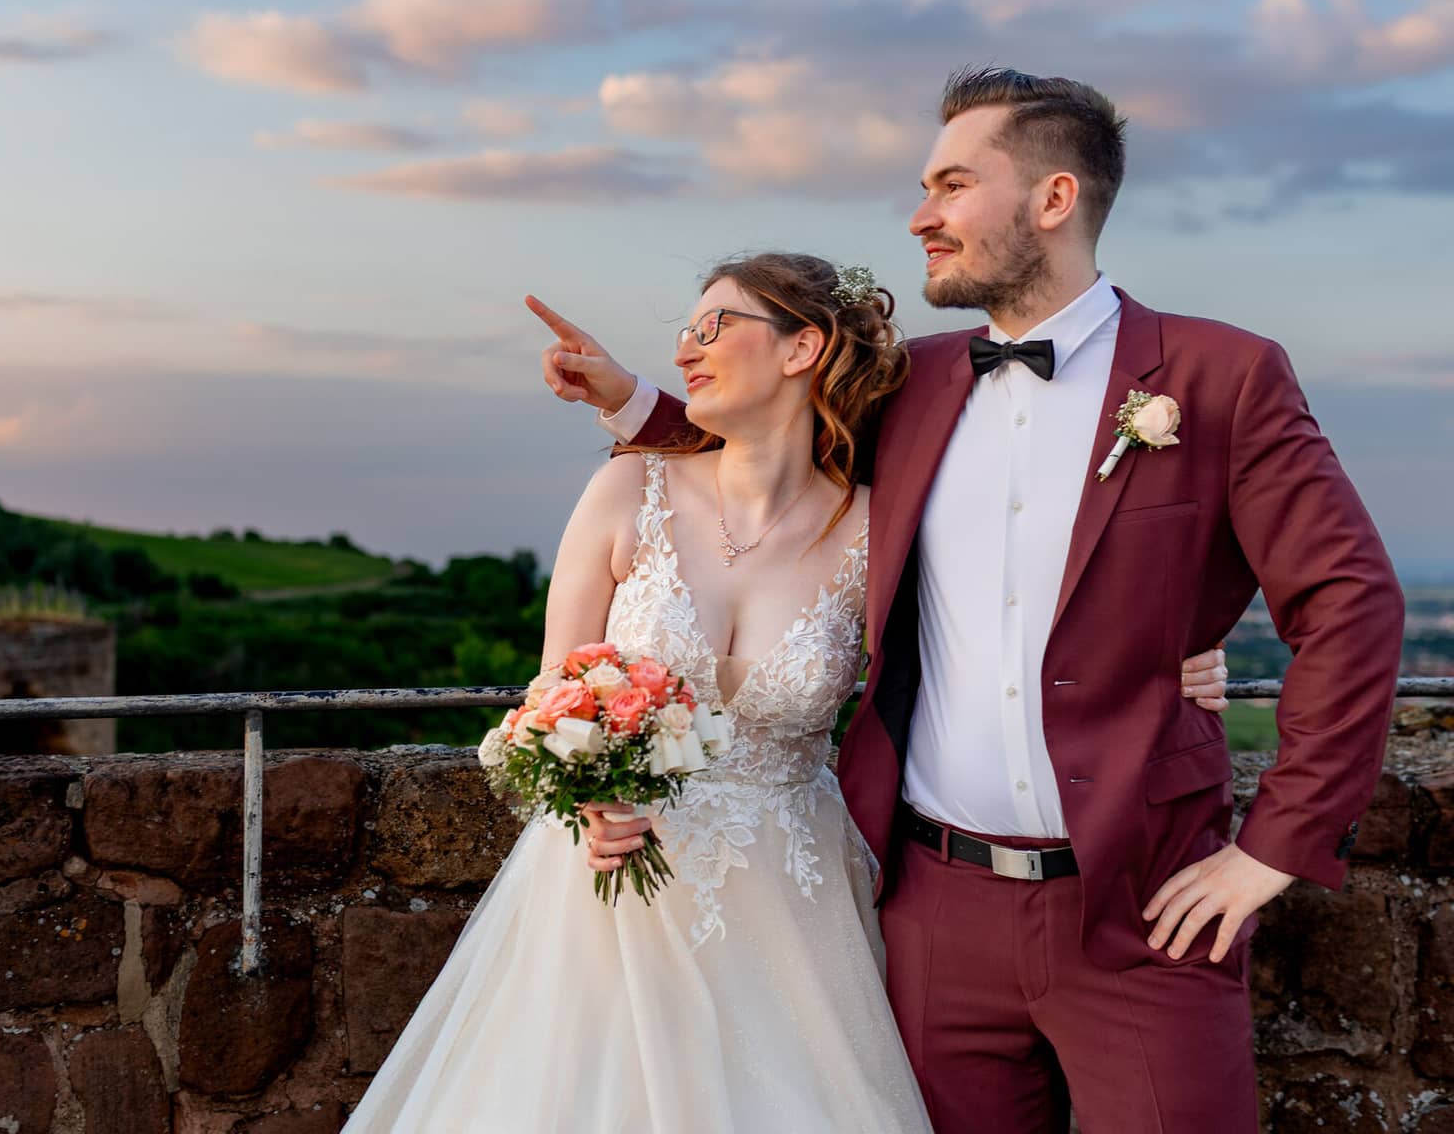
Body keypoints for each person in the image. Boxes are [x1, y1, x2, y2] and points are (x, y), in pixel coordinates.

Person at [531, 68, 1403, 1132]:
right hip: (929, 909)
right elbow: (767, 446)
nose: (920, 216)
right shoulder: (918, 380)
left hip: (1140, 904)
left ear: (1053, 199)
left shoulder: (1223, 375)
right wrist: (631, 395)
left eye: (951, 184)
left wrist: (1274, 844)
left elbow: (1350, 602)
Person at [345, 249, 1234, 1132]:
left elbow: (1020, 614)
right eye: (684, 333)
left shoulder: (882, 530)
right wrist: (586, 802)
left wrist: (1173, 656)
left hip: (789, 906)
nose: (687, 348)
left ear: (803, 348)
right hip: (602, 895)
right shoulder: (625, 490)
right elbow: (556, 686)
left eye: (713, 327)